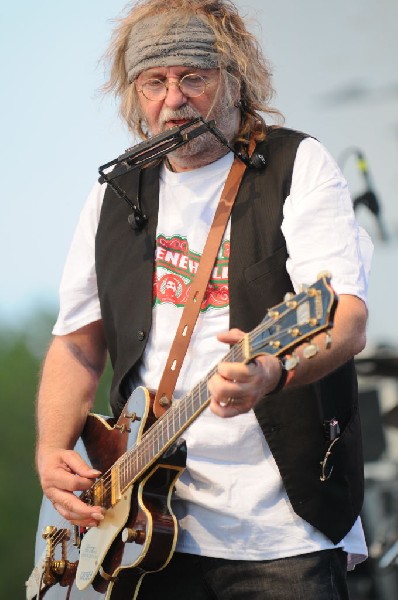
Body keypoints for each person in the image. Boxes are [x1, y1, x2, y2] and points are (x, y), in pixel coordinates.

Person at [35, 0, 373, 598]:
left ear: (236, 78)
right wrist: (53, 449)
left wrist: (272, 370)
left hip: (280, 533)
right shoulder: (114, 195)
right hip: (137, 530)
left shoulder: (296, 164)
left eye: (194, 76)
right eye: (154, 82)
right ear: (133, 94)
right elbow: (77, 345)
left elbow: (343, 319)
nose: (173, 99)